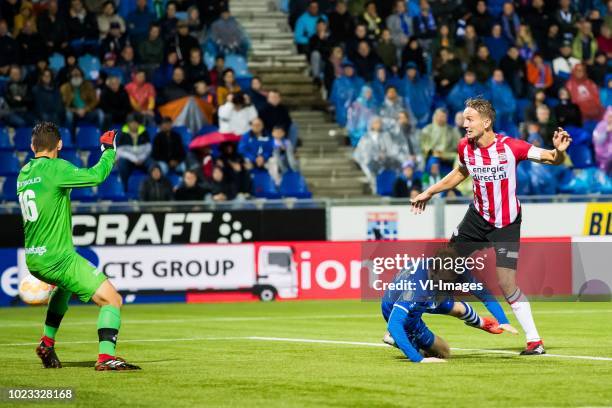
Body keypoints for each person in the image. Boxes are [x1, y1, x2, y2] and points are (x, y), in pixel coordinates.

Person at [410, 97, 573, 355]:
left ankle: (534, 341)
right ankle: (409, 324)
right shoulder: (465, 147)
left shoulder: (512, 147)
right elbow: (460, 173)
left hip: (506, 223)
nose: (464, 124)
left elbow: (552, 158)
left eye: (469, 119)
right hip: (477, 219)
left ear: (486, 122)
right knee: (442, 265)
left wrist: (559, 151)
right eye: (464, 119)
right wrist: (430, 192)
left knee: (506, 283)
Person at [18, 122, 139, 370]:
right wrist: (108, 151)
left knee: (63, 289)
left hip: (34, 258)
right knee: (112, 299)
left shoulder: (24, 172)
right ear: (59, 145)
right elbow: (96, 176)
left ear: (32, 147)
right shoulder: (57, 168)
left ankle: (47, 343)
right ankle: (106, 358)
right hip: (59, 258)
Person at [381, 247, 510, 363]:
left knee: (460, 309)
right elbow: (394, 323)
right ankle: (395, 338)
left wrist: (503, 321)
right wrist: (418, 359)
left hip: (430, 295)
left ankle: (482, 323)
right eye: (444, 281)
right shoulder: (417, 287)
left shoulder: (459, 270)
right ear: (433, 272)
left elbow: (485, 295)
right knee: (443, 352)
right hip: (397, 309)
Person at [116, 113, 153, 189]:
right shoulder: (122, 134)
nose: (133, 125)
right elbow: (120, 151)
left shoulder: (144, 132)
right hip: (130, 160)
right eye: (131, 123)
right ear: (128, 123)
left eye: (135, 122)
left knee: (152, 164)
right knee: (121, 163)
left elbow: (148, 148)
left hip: (142, 159)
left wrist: (141, 158)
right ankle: (124, 188)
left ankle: (151, 187)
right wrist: (134, 159)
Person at [60, 67, 103, 132]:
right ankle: (70, 136)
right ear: (70, 77)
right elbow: (62, 104)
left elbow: (94, 101)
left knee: (100, 113)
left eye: (78, 75)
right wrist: (75, 110)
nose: (76, 77)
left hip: (86, 111)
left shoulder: (88, 85)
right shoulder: (64, 87)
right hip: (73, 112)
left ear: (82, 76)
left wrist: (85, 109)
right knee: (68, 115)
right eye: (74, 75)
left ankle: (99, 135)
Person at [593, 107, 612, 173]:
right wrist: (606, 131)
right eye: (610, 116)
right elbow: (598, 141)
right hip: (603, 156)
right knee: (603, 173)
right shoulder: (601, 125)